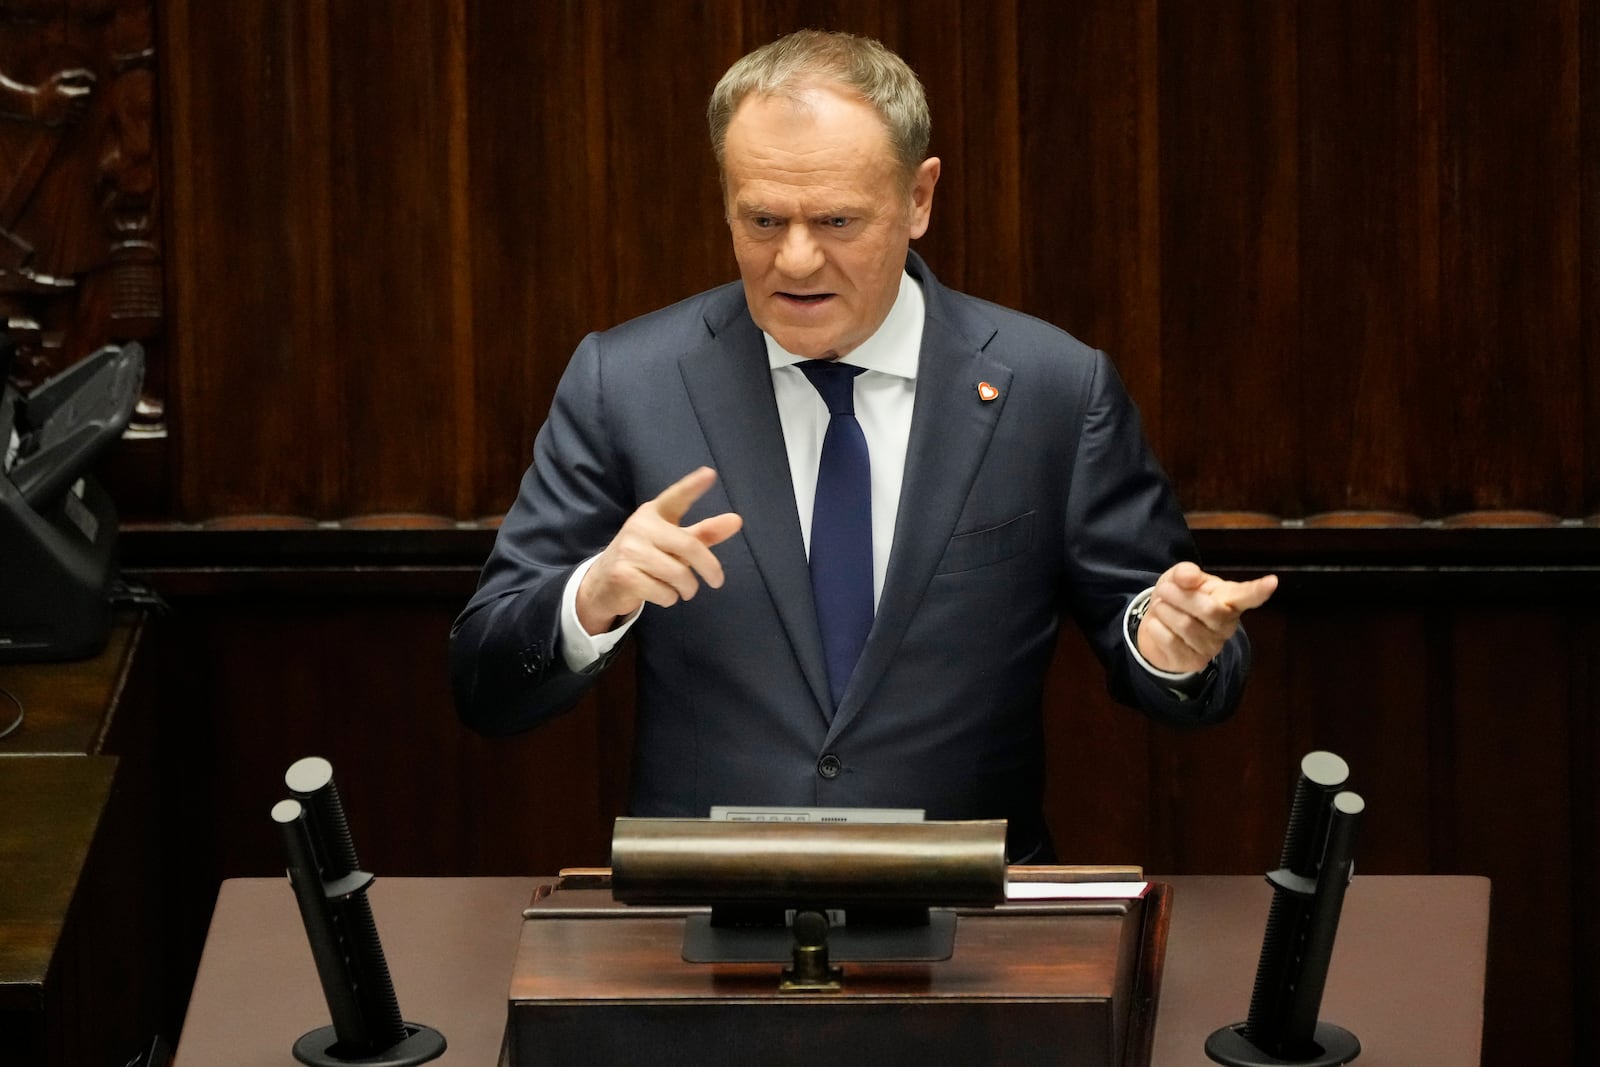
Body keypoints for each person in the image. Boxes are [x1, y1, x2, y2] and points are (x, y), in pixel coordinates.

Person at [450, 29, 1277, 862]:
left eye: (838, 219)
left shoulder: (1053, 388)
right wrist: (589, 599)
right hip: (703, 925)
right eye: (762, 219)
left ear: (919, 199)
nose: (796, 258)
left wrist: (1170, 648)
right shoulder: (627, 383)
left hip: (973, 937)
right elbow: (483, 680)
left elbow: (1173, 632)